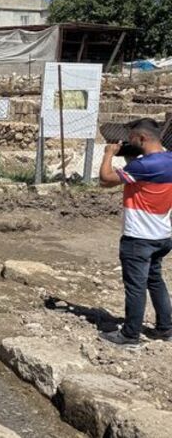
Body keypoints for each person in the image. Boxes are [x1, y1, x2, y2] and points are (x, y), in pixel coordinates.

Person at [99, 118, 172, 345]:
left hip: (138, 238)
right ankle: (165, 328)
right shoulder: (167, 160)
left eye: (131, 139)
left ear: (142, 138)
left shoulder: (143, 166)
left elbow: (105, 179)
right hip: (162, 235)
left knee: (135, 286)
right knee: (155, 280)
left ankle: (130, 334)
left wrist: (109, 153)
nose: (127, 142)